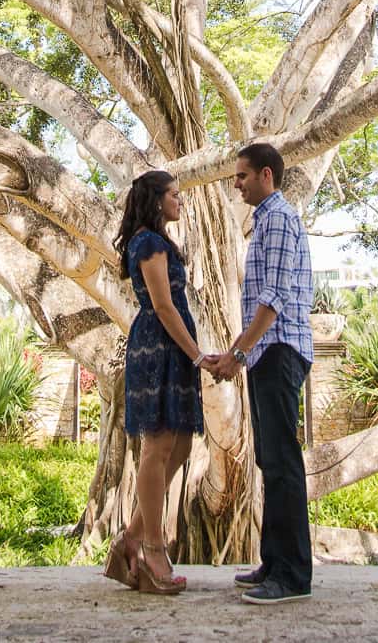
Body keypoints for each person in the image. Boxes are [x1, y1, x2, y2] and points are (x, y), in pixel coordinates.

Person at [206, 141, 314, 605]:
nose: (236, 184)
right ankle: (273, 561)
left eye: (242, 176)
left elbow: (273, 298)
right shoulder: (265, 222)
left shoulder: (280, 219)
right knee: (270, 461)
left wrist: (237, 354)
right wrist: (240, 353)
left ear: (266, 175)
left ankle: (291, 577)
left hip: (279, 350)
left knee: (284, 463)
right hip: (268, 351)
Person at [104, 169, 217, 596]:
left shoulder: (159, 240)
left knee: (182, 444)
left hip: (172, 347)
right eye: (173, 195)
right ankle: (152, 548)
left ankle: (130, 538)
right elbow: (164, 307)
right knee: (158, 445)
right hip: (159, 347)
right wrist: (198, 354)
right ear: (155, 201)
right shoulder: (149, 242)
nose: (180, 201)